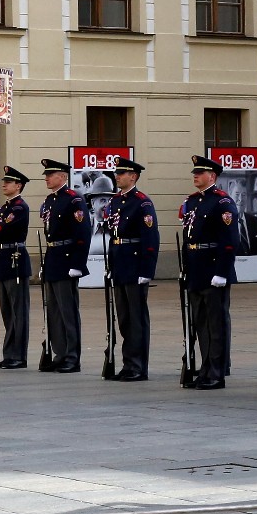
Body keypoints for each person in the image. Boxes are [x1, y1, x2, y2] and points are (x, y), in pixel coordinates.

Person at [179, 155, 240, 389]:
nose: (195, 175)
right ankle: (205, 368)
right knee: (200, 323)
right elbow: (187, 238)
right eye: (195, 172)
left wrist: (222, 271)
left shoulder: (222, 202)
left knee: (216, 323)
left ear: (212, 176)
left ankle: (217, 371)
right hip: (196, 268)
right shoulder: (192, 202)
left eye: (200, 172)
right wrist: (186, 268)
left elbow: (229, 240)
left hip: (214, 268)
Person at [103, 159, 159, 381]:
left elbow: (150, 238)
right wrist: (111, 266)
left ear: (133, 176)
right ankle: (128, 364)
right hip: (120, 266)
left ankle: (138, 366)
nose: (117, 176)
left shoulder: (142, 203)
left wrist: (147, 270)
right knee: (124, 318)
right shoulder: (115, 202)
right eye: (117, 173)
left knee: (137, 319)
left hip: (135, 266)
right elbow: (113, 237)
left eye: (122, 173)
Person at [36, 158, 91, 373]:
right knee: (54, 312)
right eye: (46, 175)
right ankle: (59, 353)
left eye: (51, 175)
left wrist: (78, 263)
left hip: (67, 259)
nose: (47, 178)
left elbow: (83, 233)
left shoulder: (73, 200)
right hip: (53, 259)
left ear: (63, 176)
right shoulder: (50, 200)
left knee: (68, 312)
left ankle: (72, 356)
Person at [0, 167, 32, 369]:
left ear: (18, 186)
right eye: (4, 181)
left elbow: (4, 230)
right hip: (3, 260)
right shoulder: (4, 208)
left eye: (9, 182)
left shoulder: (19, 208)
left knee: (18, 312)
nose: (4, 184)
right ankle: (9, 353)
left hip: (15, 260)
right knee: (7, 311)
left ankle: (18, 355)